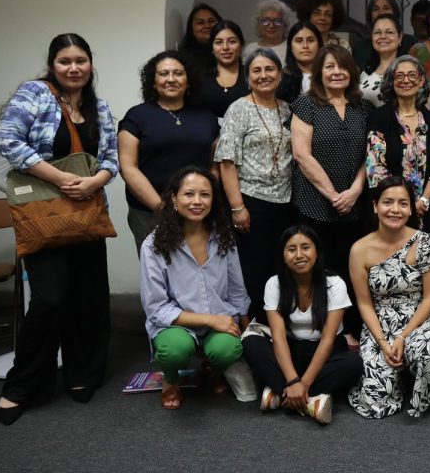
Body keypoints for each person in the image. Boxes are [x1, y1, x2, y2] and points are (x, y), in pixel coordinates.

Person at [0, 33, 118, 425]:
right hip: (45, 216)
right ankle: (23, 386)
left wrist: (95, 181)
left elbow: (111, 157)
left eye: (81, 60)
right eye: (65, 61)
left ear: (91, 64)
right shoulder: (34, 94)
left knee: (89, 298)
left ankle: (83, 374)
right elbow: (8, 142)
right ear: (52, 65)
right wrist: (62, 179)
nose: (74, 68)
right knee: (48, 300)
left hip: (87, 212)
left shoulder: (100, 107)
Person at [139, 167, 250, 410]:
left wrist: (246, 330)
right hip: (177, 325)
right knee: (174, 350)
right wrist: (210, 320)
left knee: (229, 349)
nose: (197, 201)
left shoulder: (223, 236)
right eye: (189, 194)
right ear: (174, 199)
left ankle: (213, 368)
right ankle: (171, 380)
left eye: (205, 194)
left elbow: (236, 289)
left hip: (219, 317)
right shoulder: (153, 245)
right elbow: (156, 308)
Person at [348, 177, 430, 418]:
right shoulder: (359, 249)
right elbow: (364, 303)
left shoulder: (427, 242)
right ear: (375, 206)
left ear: (411, 209)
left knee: (428, 354)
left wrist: (404, 336)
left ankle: (420, 375)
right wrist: (383, 342)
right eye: (388, 202)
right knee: (375, 401)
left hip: (421, 317)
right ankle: (398, 379)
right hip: (381, 322)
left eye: (403, 203)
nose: (395, 209)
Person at [242, 226, 363, 424]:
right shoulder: (274, 284)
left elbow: (327, 341)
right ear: (283, 256)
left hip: (325, 353)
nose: (299, 255)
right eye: (291, 249)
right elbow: (279, 338)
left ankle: (280, 395)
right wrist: (292, 380)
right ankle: (310, 401)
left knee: (354, 363)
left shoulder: (334, 283)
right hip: (290, 352)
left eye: (305, 247)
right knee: (251, 342)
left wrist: (303, 383)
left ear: (317, 251)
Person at [291, 45, 373, 336]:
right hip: (315, 204)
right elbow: (301, 154)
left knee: (353, 270)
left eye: (342, 66)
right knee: (318, 270)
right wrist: (334, 195)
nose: (336, 72)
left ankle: (351, 330)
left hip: (356, 204)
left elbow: (372, 153)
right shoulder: (307, 104)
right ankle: (322, 331)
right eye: (329, 67)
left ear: (352, 72)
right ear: (319, 73)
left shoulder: (364, 107)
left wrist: (354, 191)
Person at [215, 48, 294, 321]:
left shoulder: (287, 109)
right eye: (256, 70)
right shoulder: (239, 109)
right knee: (254, 270)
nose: (263, 75)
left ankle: (278, 325)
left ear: (280, 74)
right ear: (248, 78)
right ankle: (254, 328)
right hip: (251, 202)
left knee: (280, 268)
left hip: (286, 202)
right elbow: (226, 161)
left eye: (269, 69)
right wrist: (237, 207)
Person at [118, 51, 219, 253]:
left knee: (197, 266)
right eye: (163, 74)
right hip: (149, 213)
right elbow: (128, 167)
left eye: (178, 73)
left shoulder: (206, 116)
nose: (171, 79)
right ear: (153, 82)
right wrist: (163, 208)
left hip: (197, 211)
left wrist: (201, 199)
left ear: (188, 81)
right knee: (158, 267)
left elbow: (214, 165)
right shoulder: (137, 116)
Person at [366, 55, 430, 232]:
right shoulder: (379, 118)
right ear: (391, 81)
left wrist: (423, 200)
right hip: (391, 212)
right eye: (399, 76)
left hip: (427, 210)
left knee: (427, 250)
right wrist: (403, 204)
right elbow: (375, 169)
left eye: (412, 75)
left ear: (421, 80)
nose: (406, 80)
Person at [197, 20, 250, 121]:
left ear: (241, 45)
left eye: (232, 41)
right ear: (212, 47)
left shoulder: (252, 75)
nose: (225, 47)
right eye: (219, 42)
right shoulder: (199, 79)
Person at [351, 0, 417, 70]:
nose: (381, 13)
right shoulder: (360, 48)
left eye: (386, 8)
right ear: (370, 15)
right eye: (376, 9)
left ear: (395, 12)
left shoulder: (411, 42)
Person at [359, 13, 403, 107]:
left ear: (400, 38)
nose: (382, 36)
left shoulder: (407, 71)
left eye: (389, 32)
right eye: (377, 32)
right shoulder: (365, 73)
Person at [277, 21, 322, 104]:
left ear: (319, 45)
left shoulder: (330, 74)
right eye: (299, 41)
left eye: (310, 40)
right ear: (291, 47)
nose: (305, 46)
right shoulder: (281, 77)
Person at [243, 0, 297, 64]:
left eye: (277, 21)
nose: (271, 25)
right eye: (265, 20)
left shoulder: (293, 47)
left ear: (285, 25)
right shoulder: (250, 49)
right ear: (258, 24)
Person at [179, 3, 222, 74]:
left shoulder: (227, 51)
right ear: (191, 28)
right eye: (200, 23)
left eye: (211, 21)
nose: (207, 26)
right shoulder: (183, 59)